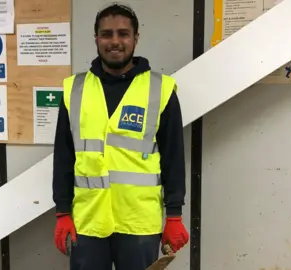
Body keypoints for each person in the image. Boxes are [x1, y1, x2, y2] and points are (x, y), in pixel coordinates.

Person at [52, 3, 189, 270]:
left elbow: (174, 157)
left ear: (135, 39)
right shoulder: (74, 89)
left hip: (139, 223)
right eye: (107, 34)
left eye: (123, 34)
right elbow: (63, 156)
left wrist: (174, 215)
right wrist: (62, 211)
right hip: (88, 221)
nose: (115, 41)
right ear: (96, 39)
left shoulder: (160, 89)